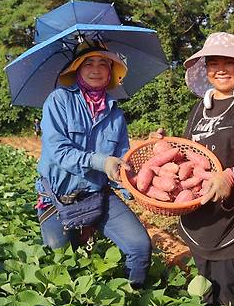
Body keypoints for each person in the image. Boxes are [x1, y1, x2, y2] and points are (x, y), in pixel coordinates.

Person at [153, 32, 234, 306]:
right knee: (202, 287)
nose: (221, 69)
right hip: (199, 215)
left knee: (227, 293)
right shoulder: (200, 107)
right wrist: (165, 146)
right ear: (205, 68)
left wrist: (231, 176)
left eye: (230, 62)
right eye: (213, 62)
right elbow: (190, 152)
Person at [35, 44, 152, 288]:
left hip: (97, 194)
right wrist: (100, 161)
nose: (96, 69)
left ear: (111, 72)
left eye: (104, 64)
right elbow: (58, 151)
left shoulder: (115, 114)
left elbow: (121, 161)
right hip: (58, 197)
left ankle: (129, 302)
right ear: (77, 69)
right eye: (89, 63)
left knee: (139, 246)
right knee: (62, 262)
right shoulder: (59, 100)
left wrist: (144, 169)